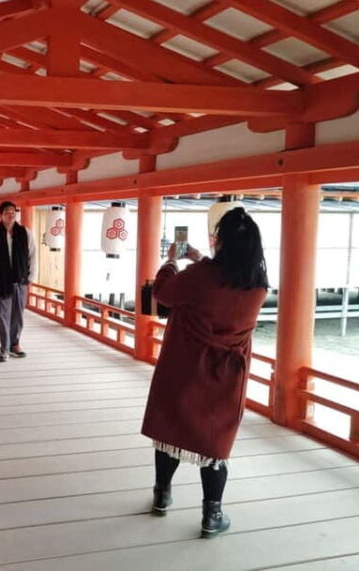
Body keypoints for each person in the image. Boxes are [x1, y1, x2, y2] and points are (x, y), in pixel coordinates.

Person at [141, 207, 268, 538]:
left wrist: (171, 261)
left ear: (221, 242)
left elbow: (164, 292)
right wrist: (200, 258)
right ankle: (212, 514)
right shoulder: (257, 288)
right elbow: (220, 286)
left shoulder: (201, 277)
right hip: (226, 376)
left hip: (185, 366)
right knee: (215, 443)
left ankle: (162, 495)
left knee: (170, 431)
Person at [0, 201, 37, 362]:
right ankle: (4, 348)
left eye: (13, 211)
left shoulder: (25, 232)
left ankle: (15, 343)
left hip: (20, 280)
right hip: (1, 281)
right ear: (1, 215)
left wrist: (31, 277)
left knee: (18, 315)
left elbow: (33, 256)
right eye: (6, 212)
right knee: (3, 316)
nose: (10, 214)